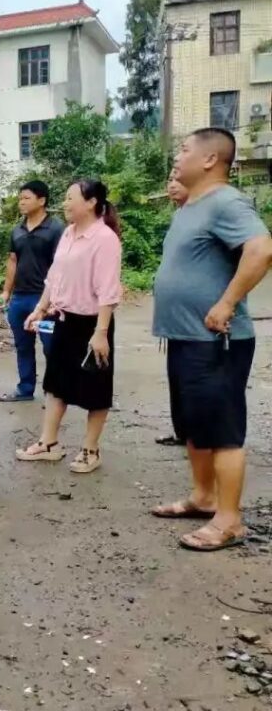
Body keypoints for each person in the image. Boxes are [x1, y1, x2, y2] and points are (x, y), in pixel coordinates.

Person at [150, 128, 272, 552]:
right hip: (184, 337)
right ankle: (203, 498)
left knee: (222, 430)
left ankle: (229, 520)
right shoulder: (192, 204)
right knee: (194, 426)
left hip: (216, 339)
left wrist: (227, 303)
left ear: (209, 160)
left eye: (184, 149)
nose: (176, 155)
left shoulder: (226, 201)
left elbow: (261, 249)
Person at [16, 180, 122, 474]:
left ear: (91, 202)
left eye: (69, 198)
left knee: (96, 389)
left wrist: (100, 333)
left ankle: (91, 450)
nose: (64, 203)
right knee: (55, 383)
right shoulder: (68, 234)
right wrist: (40, 309)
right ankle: (49, 444)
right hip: (63, 318)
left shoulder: (104, 238)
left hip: (92, 324)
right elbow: (54, 277)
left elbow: (108, 289)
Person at [0, 180, 64, 402]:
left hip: (44, 302)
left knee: (50, 346)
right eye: (20, 198)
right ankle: (25, 389)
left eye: (26, 198)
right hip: (19, 301)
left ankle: (55, 391)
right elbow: (12, 261)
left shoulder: (55, 229)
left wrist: (56, 299)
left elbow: (62, 265)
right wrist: (6, 292)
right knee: (23, 346)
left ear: (42, 200)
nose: (21, 202)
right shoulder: (17, 230)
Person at [155, 171, 190, 448]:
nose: (171, 185)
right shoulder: (180, 216)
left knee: (193, 383)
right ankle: (183, 433)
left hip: (198, 322)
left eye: (178, 179)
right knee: (177, 380)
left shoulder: (209, 214)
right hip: (174, 321)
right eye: (169, 179)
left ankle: (201, 439)